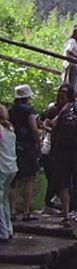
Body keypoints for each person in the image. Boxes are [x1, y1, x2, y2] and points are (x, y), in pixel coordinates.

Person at [50, 83, 77, 227]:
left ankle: (66, 216)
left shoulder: (63, 110)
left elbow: (54, 128)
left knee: (64, 184)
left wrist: (53, 149)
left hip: (63, 151)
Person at [8, 85, 41, 222]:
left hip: (13, 146)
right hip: (27, 146)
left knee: (14, 180)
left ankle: (12, 211)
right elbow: (33, 128)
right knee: (29, 178)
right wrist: (38, 142)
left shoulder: (10, 111)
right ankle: (26, 212)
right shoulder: (29, 110)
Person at [0, 104, 18, 242]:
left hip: (1, 168)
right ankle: (8, 229)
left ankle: (2, 232)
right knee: (4, 199)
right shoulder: (10, 128)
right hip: (11, 167)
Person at [62, 25, 77, 91]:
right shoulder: (72, 41)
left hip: (74, 66)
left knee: (76, 86)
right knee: (72, 87)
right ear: (76, 31)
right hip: (72, 66)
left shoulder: (73, 42)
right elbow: (68, 50)